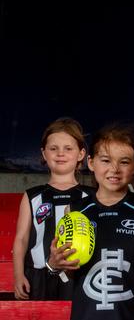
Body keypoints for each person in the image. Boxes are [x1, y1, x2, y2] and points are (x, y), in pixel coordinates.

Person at [48, 123, 134, 320]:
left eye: (124, 162)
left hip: (130, 314)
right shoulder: (76, 209)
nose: (115, 169)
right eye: (106, 160)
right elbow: (68, 270)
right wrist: (55, 264)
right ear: (91, 163)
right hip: (87, 315)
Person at [12, 117, 93, 300]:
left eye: (68, 148)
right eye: (53, 148)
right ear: (44, 154)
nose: (60, 154)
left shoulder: (92, 196)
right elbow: (21, 238)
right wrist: (18, 275)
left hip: (81, 275)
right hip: (38, 276)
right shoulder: (32, 196)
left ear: (81, 154)